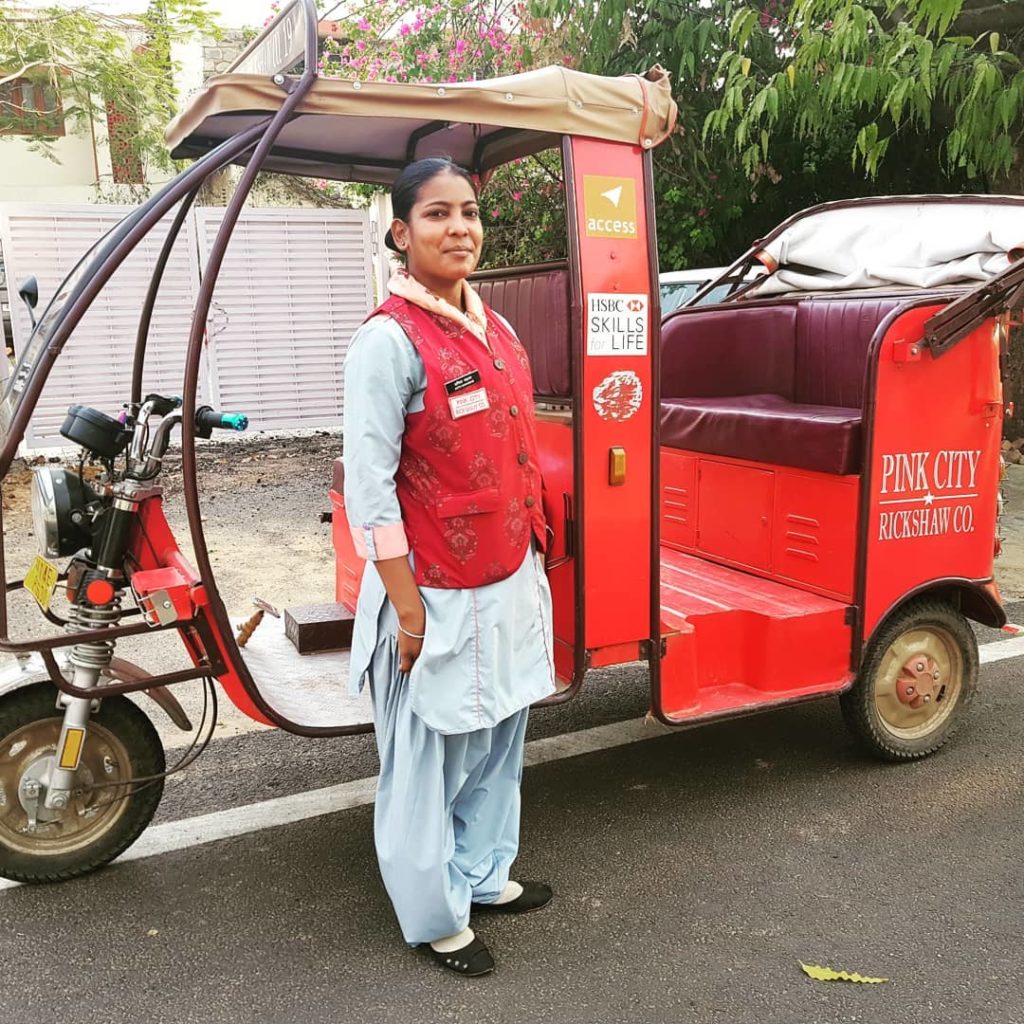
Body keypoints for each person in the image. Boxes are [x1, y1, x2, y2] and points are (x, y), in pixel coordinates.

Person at [342, 157, 557, 977]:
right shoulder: (387, 340)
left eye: (468, 212)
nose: (458, 228)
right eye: (436, 214)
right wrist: (404, 608)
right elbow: (370, 492)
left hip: (505, 578)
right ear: (402, 233)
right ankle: (436, 917)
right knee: (427, 759)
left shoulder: (491, 325)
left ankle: (484, 876)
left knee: (502, 736)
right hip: (429, 592)